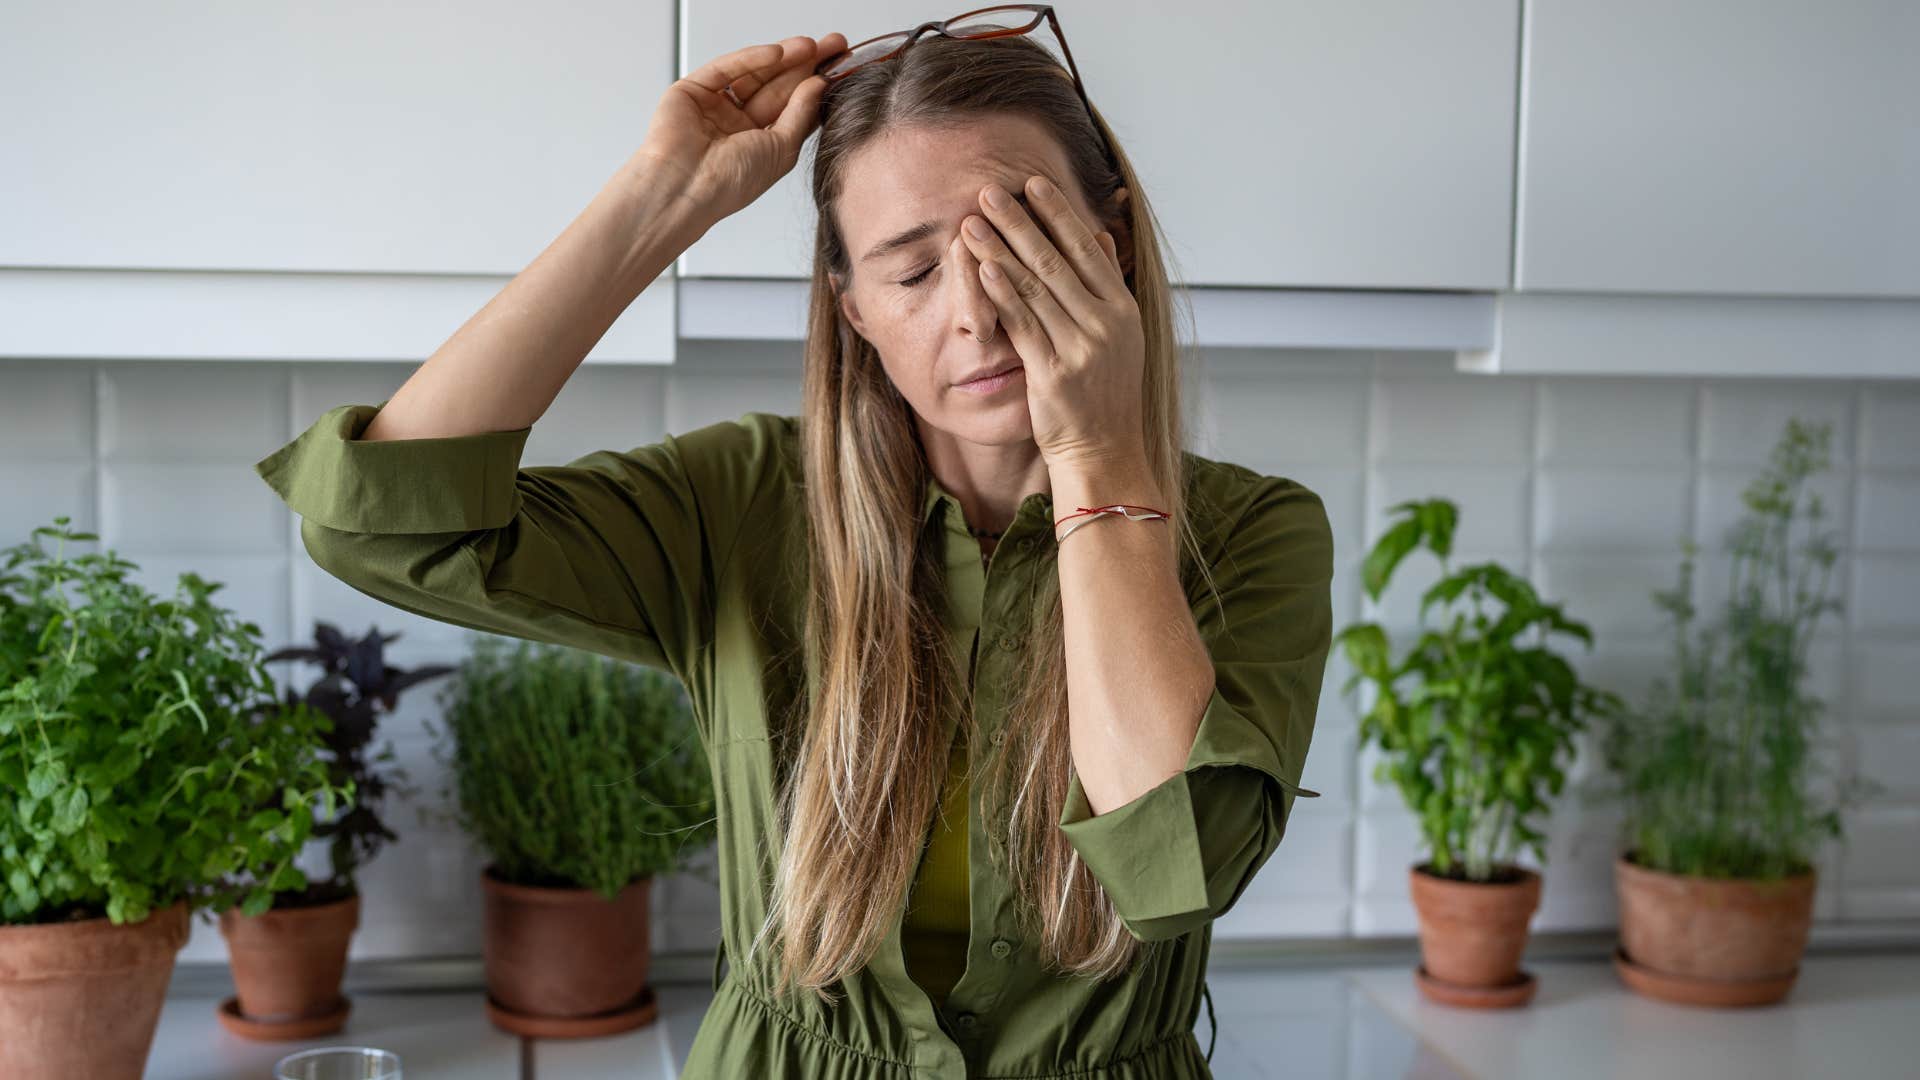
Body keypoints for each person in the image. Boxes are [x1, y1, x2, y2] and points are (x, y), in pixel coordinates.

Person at [254, 22, 1333, 1080]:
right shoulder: (742, 502)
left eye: (1023, 248)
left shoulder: (1252, 536)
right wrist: (662, 198)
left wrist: (1095, 453)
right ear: (852, 308)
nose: (980, 318)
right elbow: (377, 524)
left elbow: (1175, 864)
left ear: (1113, 245)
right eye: (912, 274)